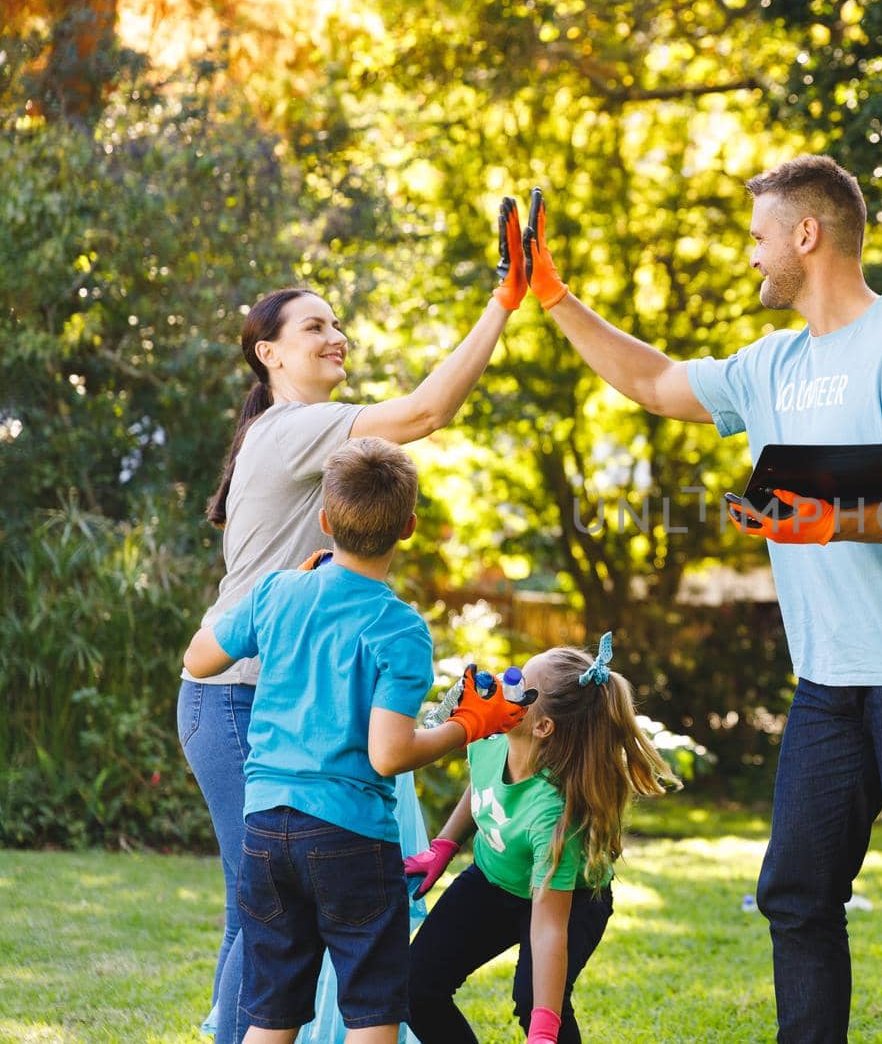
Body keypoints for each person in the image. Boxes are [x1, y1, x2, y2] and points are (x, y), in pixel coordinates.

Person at [518, 156, 882, 1042]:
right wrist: (553, 298)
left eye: (757, 237)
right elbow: (654, 383)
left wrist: (836, 522)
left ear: (806, 236)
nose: (750, 257)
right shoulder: (773, 363)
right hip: (832, 672)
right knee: (796, 889)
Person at [178, 197, 533, 1044]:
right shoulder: (293, 427)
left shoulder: (303, 435)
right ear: (268, 354)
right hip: (236, 694)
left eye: (337, 322)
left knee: (267, 909)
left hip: (272, 687)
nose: (336, 335)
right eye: (314, 327)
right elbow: (423, 416)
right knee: (255, 911)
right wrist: (503, 302)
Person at [182, 437, 529, 1042]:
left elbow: (200, 659)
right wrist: (471, 724)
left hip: (266, 828)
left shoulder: (275, 593)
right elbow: (388, 754)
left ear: (323, 521)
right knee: (371, 1008)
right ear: (409, 528)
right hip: (349, 837)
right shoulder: (399, 627)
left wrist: (283, 592)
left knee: (271, 1009)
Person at [403, 632, 677, 1043]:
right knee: (414, 988)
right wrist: (445, 844)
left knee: (536, 1005)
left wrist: (543, 1030)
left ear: (543, 726)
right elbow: (483, 784)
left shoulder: (553, 817)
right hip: (494, 880)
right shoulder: (491, 738)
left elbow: (549, 927)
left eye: (519, 688)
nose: (502, 689)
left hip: (571, 899)